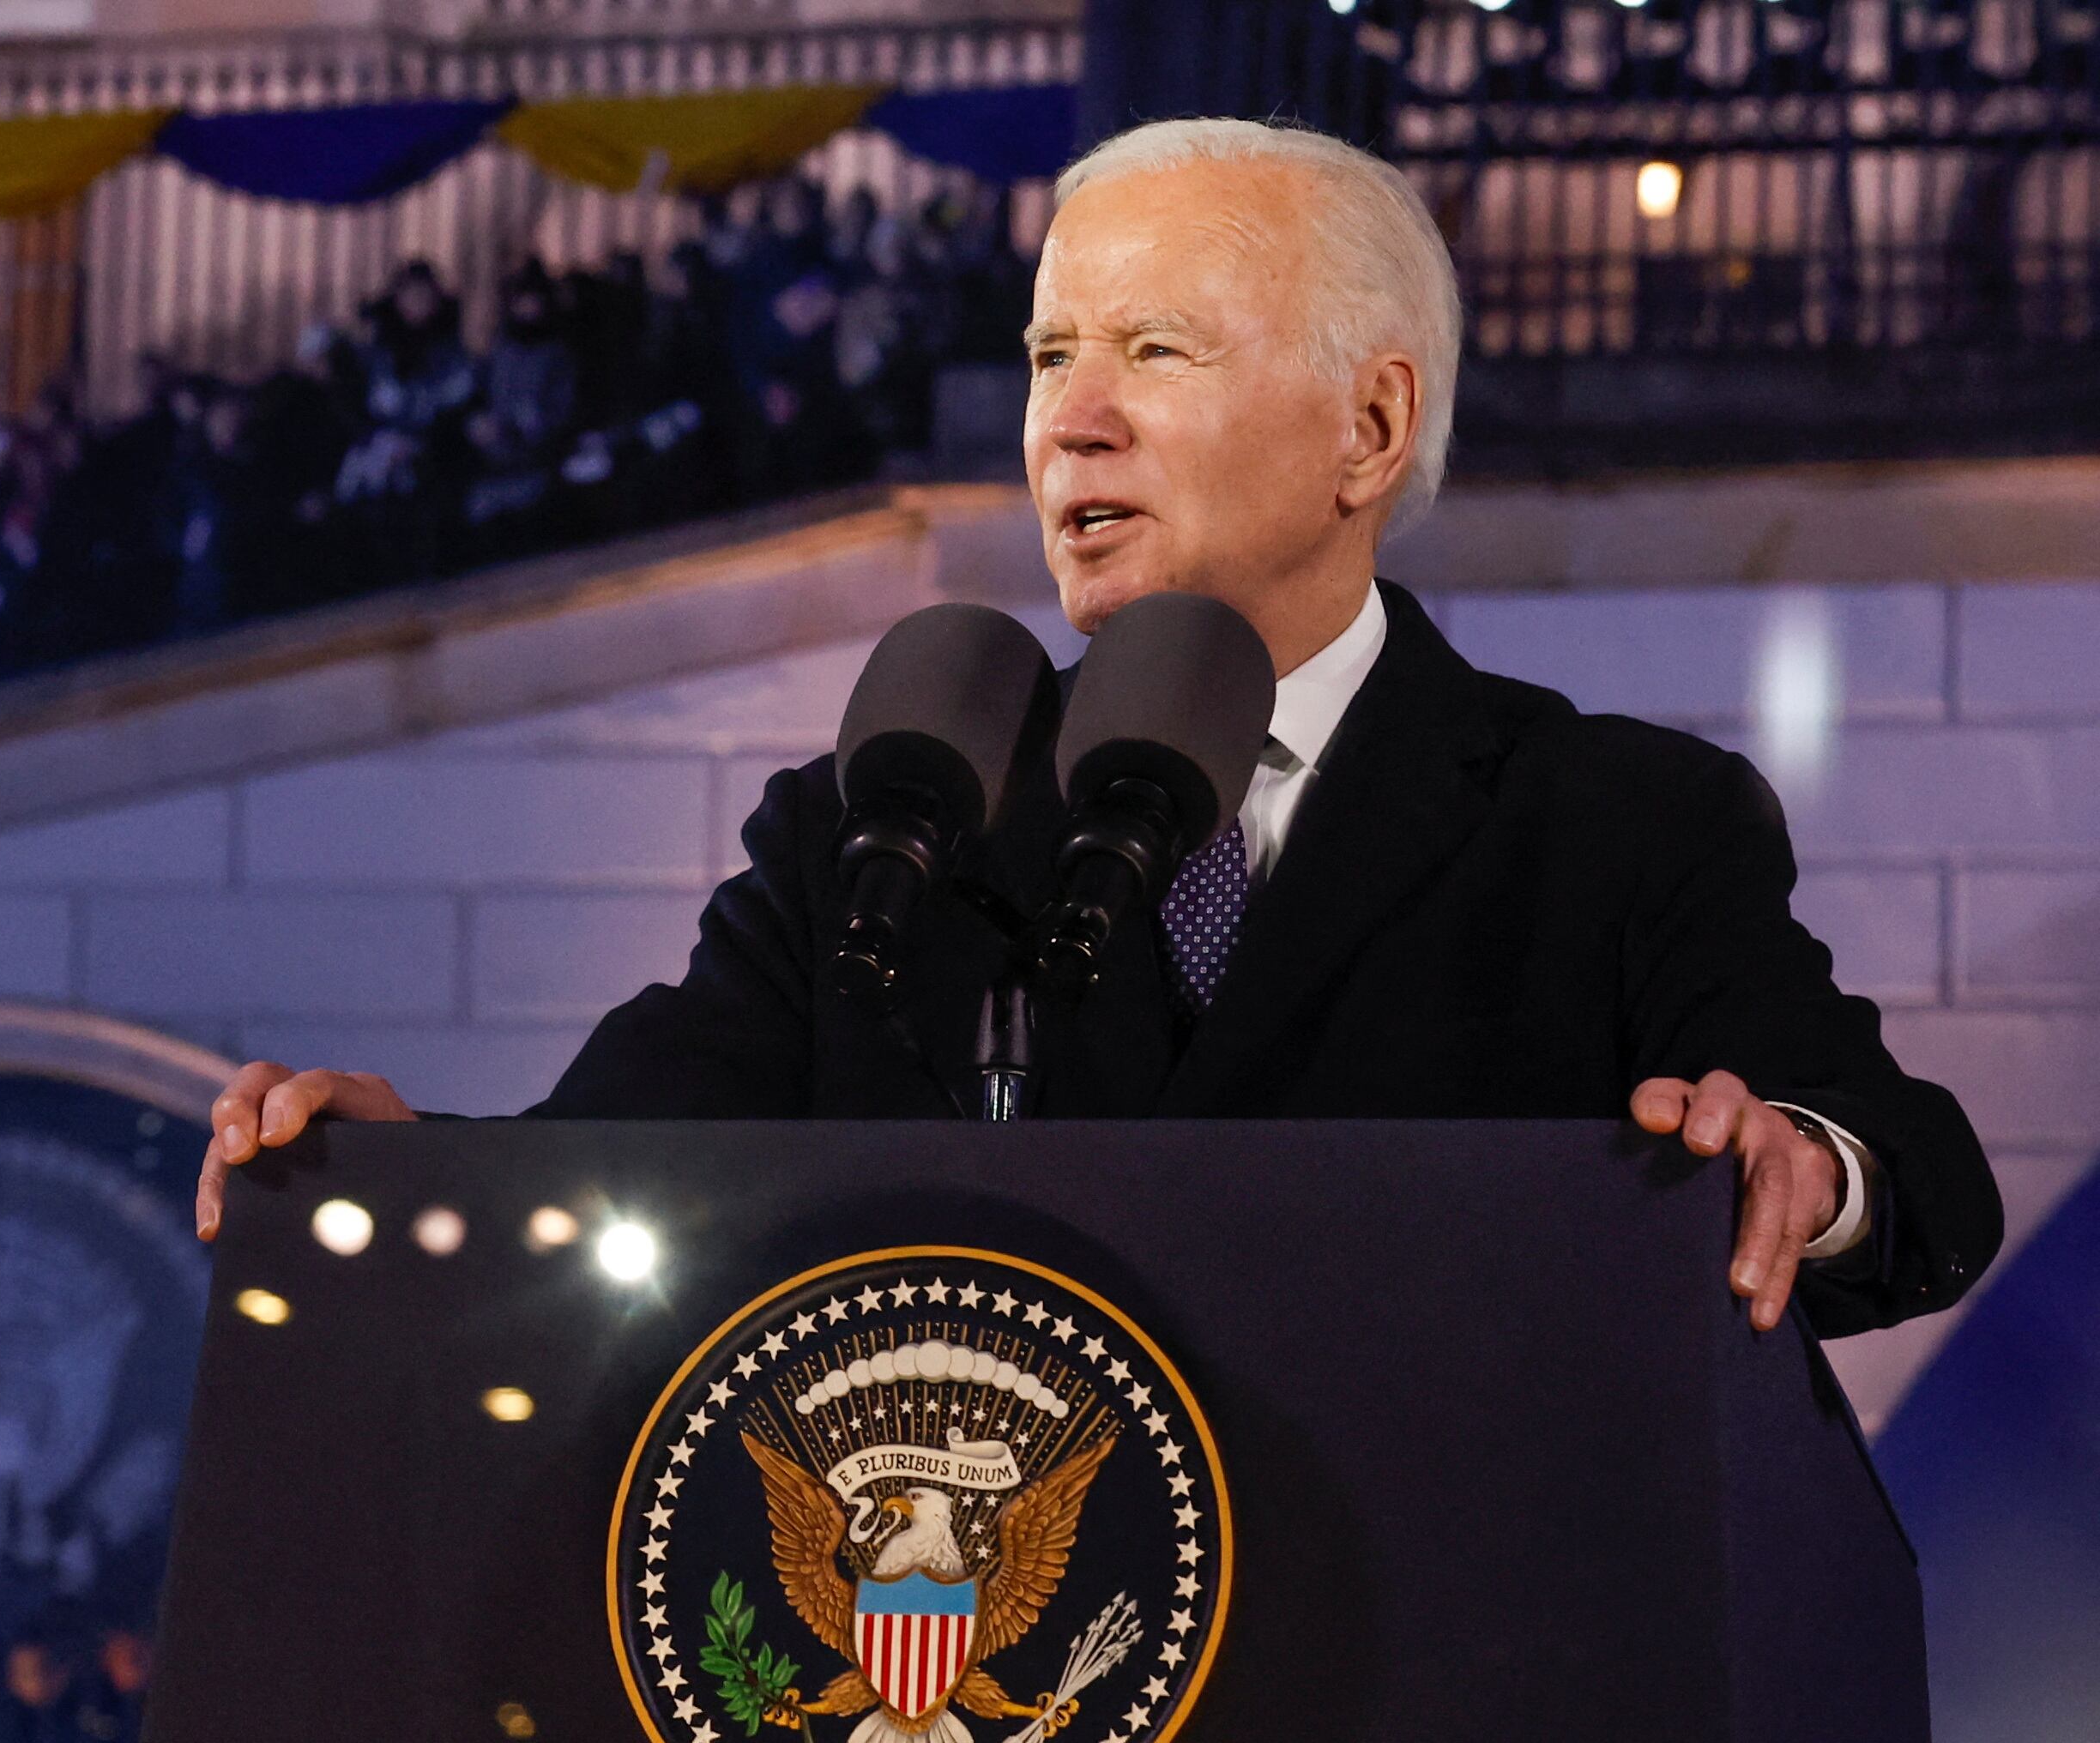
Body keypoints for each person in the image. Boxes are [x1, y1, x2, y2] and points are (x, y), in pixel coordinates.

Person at [197, 115, 2002, 1344]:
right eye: (1052, 352)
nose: (1070, 419)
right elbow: (605, 1170)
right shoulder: (883, 821)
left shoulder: (1615, 821)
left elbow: (1909, 1172)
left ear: (1369, 430)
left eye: (1154, 350)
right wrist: (408, 1175)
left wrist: (1798, 1164)